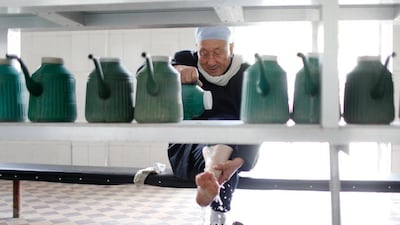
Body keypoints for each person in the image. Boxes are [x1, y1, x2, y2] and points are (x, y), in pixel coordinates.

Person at [167, 26, 260, 225]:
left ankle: (210, 179)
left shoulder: (247, 73)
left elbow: (257, 122)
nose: (210, 61)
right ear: (196, 49)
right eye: (204, 53)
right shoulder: (185, 59)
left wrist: (241, 160)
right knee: (222, 146)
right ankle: (217, 213)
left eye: (218, 53)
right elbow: (146, 70)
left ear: (231, 48)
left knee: (224, 139)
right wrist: (177, 70)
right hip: (188, 145)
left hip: (234, 148)